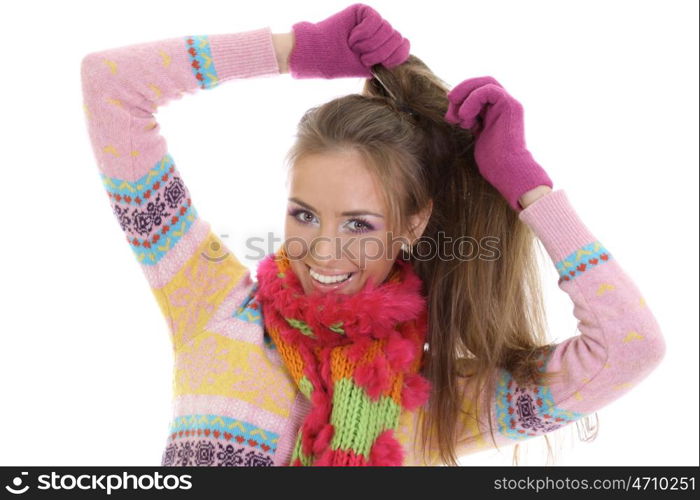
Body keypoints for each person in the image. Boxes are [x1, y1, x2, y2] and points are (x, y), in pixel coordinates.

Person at [80, 3, 666, 467]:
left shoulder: (437, 401)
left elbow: (630, 348)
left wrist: (527, 186)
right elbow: (110, 83)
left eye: (359, 224)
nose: (323, 250)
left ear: (413, 225)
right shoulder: (212, 305)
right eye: (304, 214)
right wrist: (296, 49)